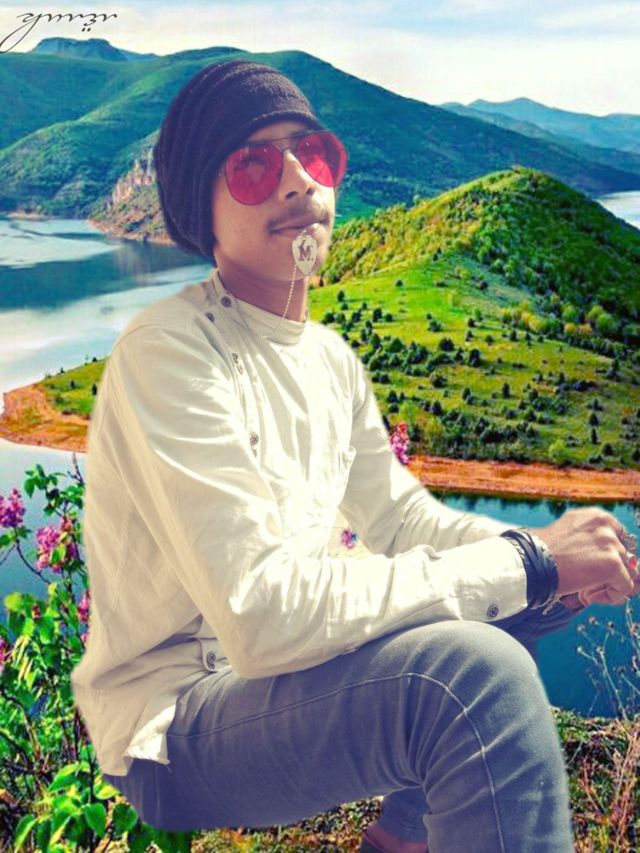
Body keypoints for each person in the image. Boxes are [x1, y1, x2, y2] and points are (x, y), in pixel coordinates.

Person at [71, 59, 640, 853]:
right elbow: (261, 615)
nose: (297, 179)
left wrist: (546, 559)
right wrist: (529, 560)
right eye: (253, 165)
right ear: (201, 208)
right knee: (479, 678)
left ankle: (401, 838)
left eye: (313, 153)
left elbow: (403, 521)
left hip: (276, 683)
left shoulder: (328, 359)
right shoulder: (169, 352)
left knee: (521, 601)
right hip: (174, 723)